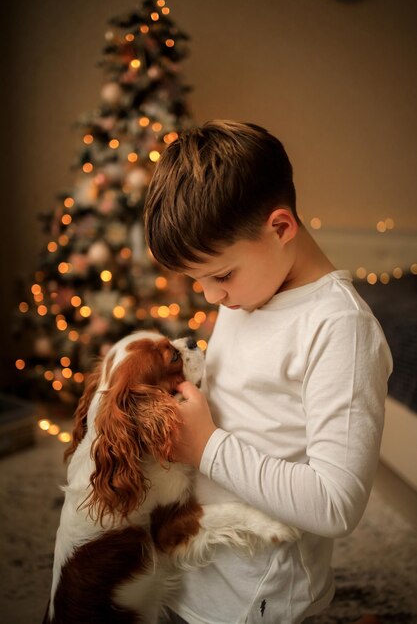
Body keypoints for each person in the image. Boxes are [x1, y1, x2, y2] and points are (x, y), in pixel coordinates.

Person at [144, 120, 392, 624]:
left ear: (280, 228)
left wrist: (206, 445)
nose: (211, 297)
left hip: (257, 598)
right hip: (192, 565)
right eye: (198, 281)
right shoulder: (249, 292)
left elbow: (335, 504)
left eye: (220, 276)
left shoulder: (339, 328)